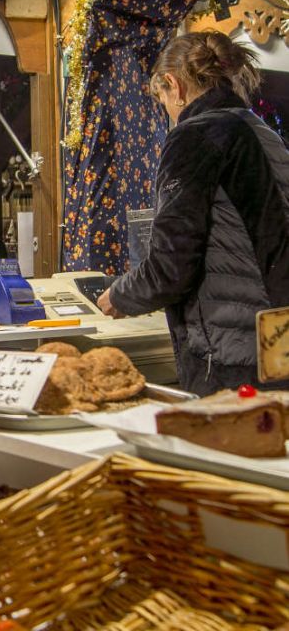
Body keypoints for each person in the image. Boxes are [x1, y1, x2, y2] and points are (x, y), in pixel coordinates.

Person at [97, 31, 289, 395]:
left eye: (163, 100)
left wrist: (119, 296)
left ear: (174, 85)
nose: (168, 112)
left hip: (230, 356)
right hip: (277, 345)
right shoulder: (264, 134)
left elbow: (172, 266)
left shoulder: (194, 136)